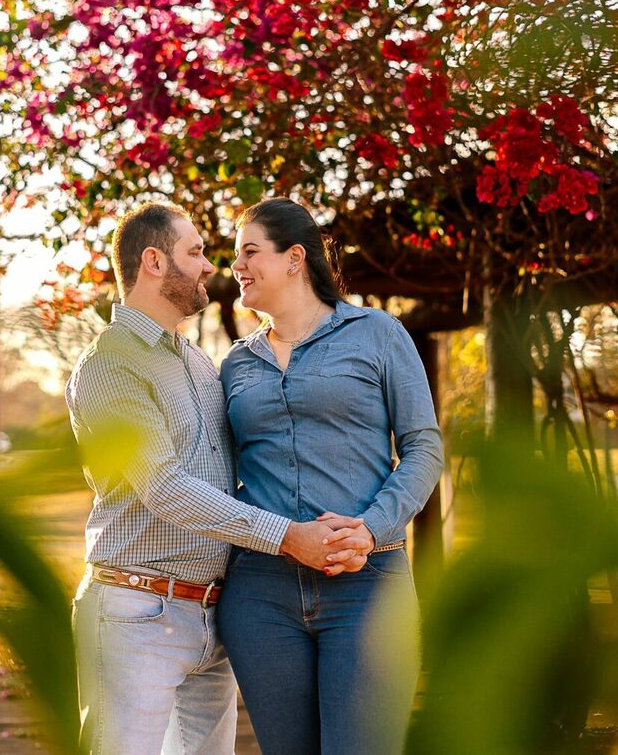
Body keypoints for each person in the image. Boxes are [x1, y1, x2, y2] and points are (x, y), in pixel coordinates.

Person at [66, 201, 368, 755]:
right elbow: (163, 487)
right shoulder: (111, 363)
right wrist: (287, 537)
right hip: (139, 613)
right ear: (154, 262)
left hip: (212, 618)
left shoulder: (199, 360)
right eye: (196, 252)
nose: (211, 267)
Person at [217, 197, 446, 755]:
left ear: (295, 257)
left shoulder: (378, 334)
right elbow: (217, 477)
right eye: (234, 256)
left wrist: (370, 528)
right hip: (261, 593)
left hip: (367, 587)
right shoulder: (234, 365)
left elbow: (423, 446)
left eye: (250, 252)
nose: (236, 268)